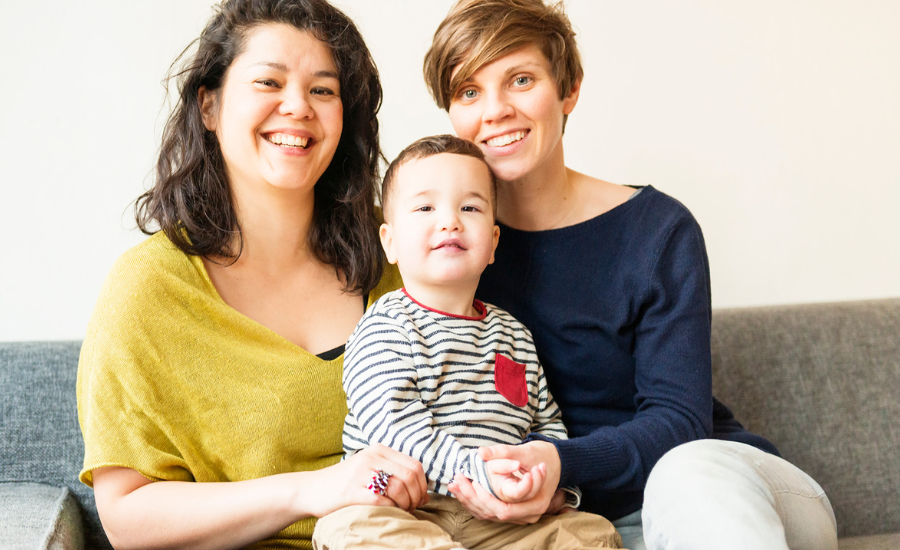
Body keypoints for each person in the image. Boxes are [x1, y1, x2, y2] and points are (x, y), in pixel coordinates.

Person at [421, 1, 839, 549]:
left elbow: (680, 422)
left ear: (569, 89)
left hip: (722, 491)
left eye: (520, 80)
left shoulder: (657, 231)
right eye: (469, 91)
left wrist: (558, 464)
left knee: (685, 472)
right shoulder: (443, 249)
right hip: (574, 525)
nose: (495, 110)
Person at [76, 1, 430, 548]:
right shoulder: (147, 289)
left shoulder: (404, 252)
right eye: (269, 82)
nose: (298, 107)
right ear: (209, 105)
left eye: (323, 89)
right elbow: (127, 518)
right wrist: (312, 491)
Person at [312, 134, 622, 550]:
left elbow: (546, 423)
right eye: (425, 208)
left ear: (493, 243)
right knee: (347, 528)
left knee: (592, 533)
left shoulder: (514, 335)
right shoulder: (385, 325)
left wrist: (550, 485)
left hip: (500, 518)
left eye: (470, 208)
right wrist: (477, 472)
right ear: (390, 242)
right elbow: (392, 426)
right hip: (406, 506)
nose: (450, 222)